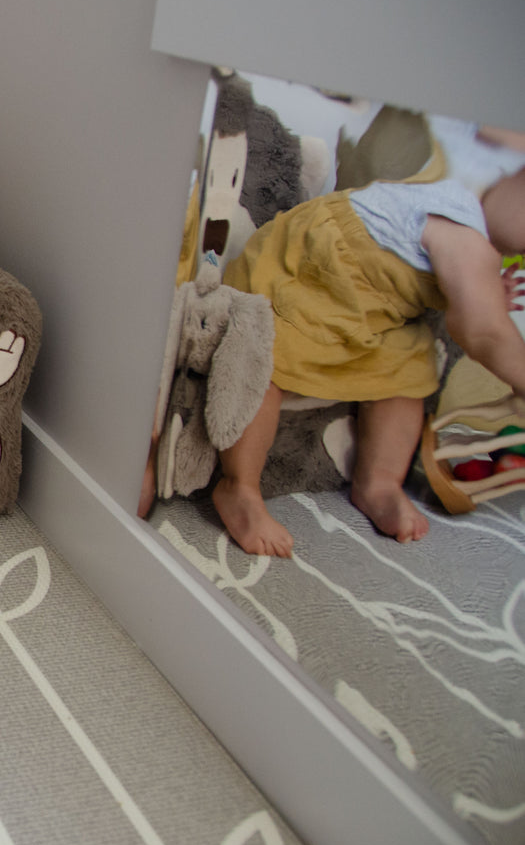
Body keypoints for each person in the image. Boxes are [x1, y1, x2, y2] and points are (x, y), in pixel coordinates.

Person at [214, 125, 525, 558]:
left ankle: (378, 484)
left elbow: (464, 306)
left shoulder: (483, 241)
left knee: (408, 377)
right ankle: (240, 486)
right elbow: (481, 330)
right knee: (268, 352)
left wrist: (489, 291)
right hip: (318, 272)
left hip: (380, 311)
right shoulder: (460, 211)